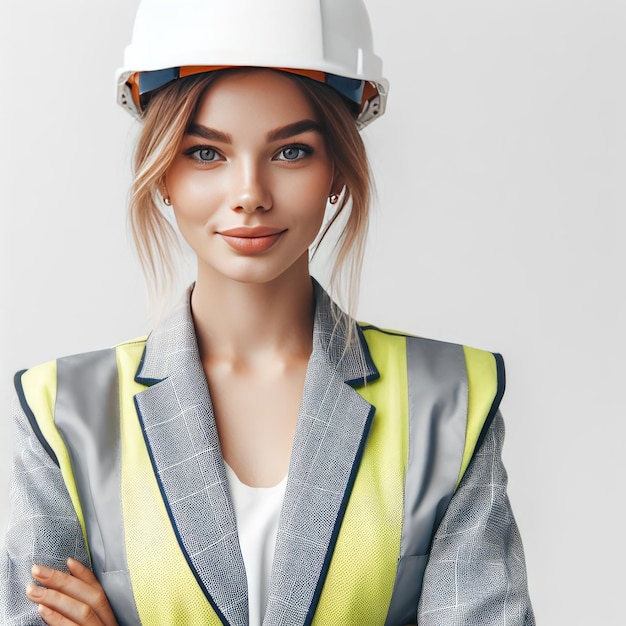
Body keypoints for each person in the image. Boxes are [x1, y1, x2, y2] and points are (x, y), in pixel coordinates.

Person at [0, 1, 535, 624]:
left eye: (290, 152)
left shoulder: (450, 401)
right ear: (162, 173)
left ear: (337, 167)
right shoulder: (61, 413)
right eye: (206, 153)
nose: (250, 193)